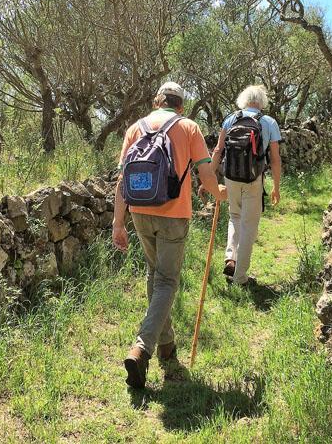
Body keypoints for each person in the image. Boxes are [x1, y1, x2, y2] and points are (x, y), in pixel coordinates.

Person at [112, 81, 227, 389]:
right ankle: (142, 348)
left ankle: (167, 346)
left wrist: (118, 223)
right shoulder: (188, 127)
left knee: (154, 275)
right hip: (174, 214)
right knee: (166, 281)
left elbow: (123, 180)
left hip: (139, 211)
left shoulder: (135, 128)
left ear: (156, 101)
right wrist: (220, 193)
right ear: (180, 106)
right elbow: (205, 172)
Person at [208, 85, 281, 285]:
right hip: (253, 179)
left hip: (230, 177)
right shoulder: (268, 122)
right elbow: (274, 159)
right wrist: (276, 186)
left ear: (244, 100)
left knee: (235, 216)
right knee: (249, 225)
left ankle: (231, 258)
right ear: (262, 101)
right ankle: (240, 277)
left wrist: (211, 177)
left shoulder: (231, 119)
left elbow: (218, 150)